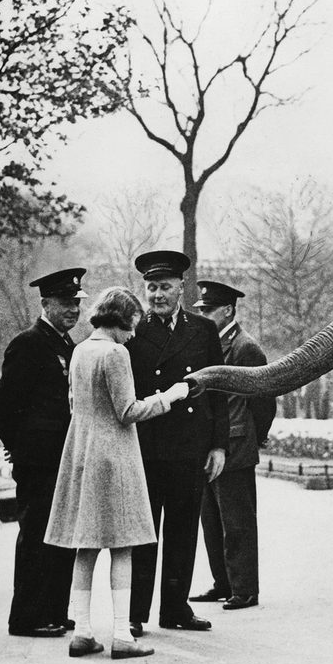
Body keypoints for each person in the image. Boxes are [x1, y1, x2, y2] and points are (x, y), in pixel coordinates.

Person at [44, 287, 190, 659]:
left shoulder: (79, 350)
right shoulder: (115, 352)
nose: (134, 334)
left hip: (82, 454)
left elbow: (77, 404)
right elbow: (128, 411)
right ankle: (123, 635)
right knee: (124, 545)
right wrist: (170, 396)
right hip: (114, 458)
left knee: (86, 546)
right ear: (122, 319)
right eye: (133, 325)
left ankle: (82, 631)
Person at [127, 251, 229, 636]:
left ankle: (175, 608)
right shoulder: (133, 330)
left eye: (165, 287)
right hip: (147, 448)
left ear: (181, 288)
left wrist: (218, 445)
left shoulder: (203, 330)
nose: (157, 295)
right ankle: (135, 613)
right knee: (144, 532)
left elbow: (217, 389)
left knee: (184, 531)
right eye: (151, 287)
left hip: (190, 448)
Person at [0, 268, 87, 638]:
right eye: (64, 303)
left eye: (76, 303)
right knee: (35, 538)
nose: (72, 310)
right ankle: (27, 617)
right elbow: (2, 409)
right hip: (39, 465)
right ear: (45, 303)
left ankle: (54, 612)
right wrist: (22, 450)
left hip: (65, 461)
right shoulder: (28, 344)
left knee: (62, 537)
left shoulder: (69, 347)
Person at [189, 281, 276, 611]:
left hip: (236, 448)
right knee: (211, 520)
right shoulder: (211, 344)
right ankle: (223, 583)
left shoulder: (245, 348)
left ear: (228, 310)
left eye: (209, 310)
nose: (205, 316)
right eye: (202, 311)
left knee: (237, 522)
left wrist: (254, 436)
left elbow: (265, 398)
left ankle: (245, 589)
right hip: (210, 446)